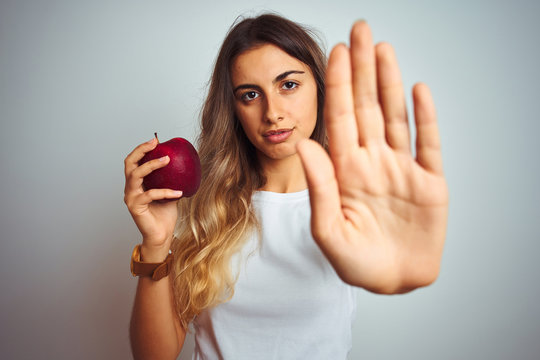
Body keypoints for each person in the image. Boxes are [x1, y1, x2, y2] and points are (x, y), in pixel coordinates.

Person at [123, 13, 449, 359]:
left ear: (320, 89)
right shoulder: (202, 205)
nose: (272, 112)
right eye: (250, 94)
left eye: (288, 85)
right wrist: (156, 243)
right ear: (233, 109)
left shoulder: (352, 201)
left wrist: (400, 274)